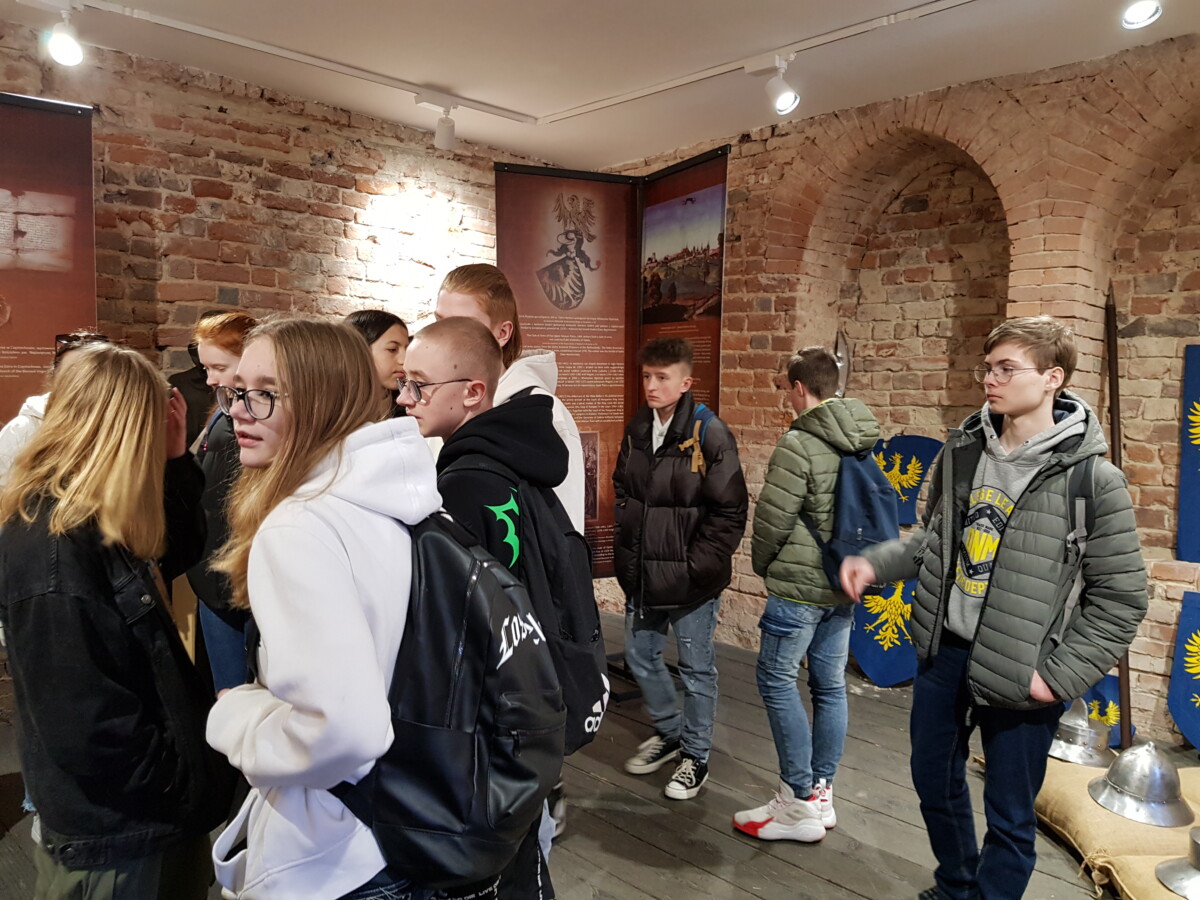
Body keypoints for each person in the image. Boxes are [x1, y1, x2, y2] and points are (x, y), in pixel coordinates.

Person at [839, 316, 1148, 900]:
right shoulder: (964, 450)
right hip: (945, 652)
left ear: (1053, 378)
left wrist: (1056, 677)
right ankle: (957, 884)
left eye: (1008, 368)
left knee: (1009, 815)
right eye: (988, 368)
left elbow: (1121, 598)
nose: (990, 379)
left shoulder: (1092, 479)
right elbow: (934, 541)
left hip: (1024, 667)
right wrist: (876, 563)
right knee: (933, 779)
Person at [205, 317, 441, 900]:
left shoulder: (300, 526)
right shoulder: (393, 499)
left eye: (265, 393)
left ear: (322, 401)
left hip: (337, 848)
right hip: (407, 819)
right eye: (237, 390)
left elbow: (343, 732)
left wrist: (236, 718)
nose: (239, 411)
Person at [0, 342, 227, 900]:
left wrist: (176, 461)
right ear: (124, 431)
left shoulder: (89, 512)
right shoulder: (56, 546)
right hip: (120, 831)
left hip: (141, 819)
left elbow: (173, 550)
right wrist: (176, 780)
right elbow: (83, 722)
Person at [399, 315, 565, 899]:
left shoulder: (465, 481)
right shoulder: (519, 455)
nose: (405, 398)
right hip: (531, 693)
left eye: (420, 385)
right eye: (403, 383)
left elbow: (469, 622)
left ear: (473, 392)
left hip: (497, 713)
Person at [733, 346, 881, 842]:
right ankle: (821, 794)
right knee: (830, 686)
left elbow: (773, 519)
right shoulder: (862, 434)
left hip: (799, 584)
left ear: (799, 388)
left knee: (777, 680)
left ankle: (795, 802)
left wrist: (763, 565)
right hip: (843, 580)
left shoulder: (798, 442)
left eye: (786, 388)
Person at [613, 336, 747, 800]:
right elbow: (623, 489)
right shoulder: (638, 428)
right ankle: (671, 733)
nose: (651, 385)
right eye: (647, 376)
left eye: (662, 377)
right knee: (640, 656)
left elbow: (730, 512)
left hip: (691, 582)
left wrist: (695, 568)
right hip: (645, 575)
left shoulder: (710, 434)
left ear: (686, 382)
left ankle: (695, 755)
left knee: (696, 669)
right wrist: (629, 545)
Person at [435, 264, 584, 531]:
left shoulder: (545, 416)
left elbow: (564, 534)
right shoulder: (436, 406)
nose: (442, 337)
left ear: (502, 333)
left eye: (462, 325)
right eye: (439, 322)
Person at [186, 310, 258, 693]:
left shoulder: (253, 424)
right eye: (206, 368)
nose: (210, 378)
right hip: (214, 577)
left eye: (219, 367)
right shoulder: (223, 412)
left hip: (238, 582)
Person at [0, 329, 107, 485]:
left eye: (91, 373)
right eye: (72, 373)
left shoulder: (122, 424)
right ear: (55, 375)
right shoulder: (25, 428)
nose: (81, 382)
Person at [344, 309, 410, 417]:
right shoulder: (334, 408)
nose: (405, 360)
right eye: (392, 349)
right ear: (360, 350)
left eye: (407, 349)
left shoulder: (409, 406)